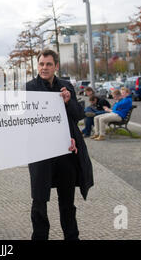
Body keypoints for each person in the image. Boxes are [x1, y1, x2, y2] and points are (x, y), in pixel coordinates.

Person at [25, 49, 93, 240]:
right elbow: (24, 121)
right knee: (39, 201)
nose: (44, 68)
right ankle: (39, 237)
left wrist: (69, 101)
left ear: (55, 66)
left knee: (67, 201)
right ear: (37, 66)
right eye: (41, 64)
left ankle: (72, 236)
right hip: (40, 153)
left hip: (66, 152)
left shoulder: (65, 86)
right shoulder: (29, 88)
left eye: (48, 64)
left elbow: (78, 115)